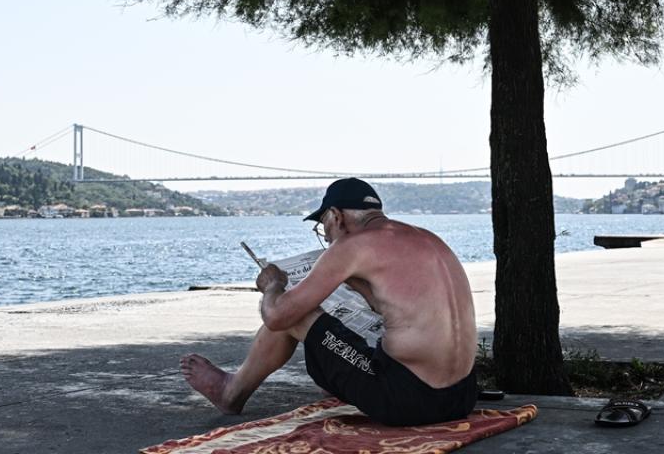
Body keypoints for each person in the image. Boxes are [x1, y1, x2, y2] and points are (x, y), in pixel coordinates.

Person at [180, 177, 478, 426]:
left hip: (409, 401)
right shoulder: (426, 239)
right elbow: (397, 309)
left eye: (323, 227)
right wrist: (358, 286)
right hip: (461, 396)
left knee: (293, 312)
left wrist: (273, 285)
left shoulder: (352, 246)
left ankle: (231, 392)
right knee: (339, 323)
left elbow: (277, 317)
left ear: (336, 216)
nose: (326, 236)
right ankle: (339, 379)